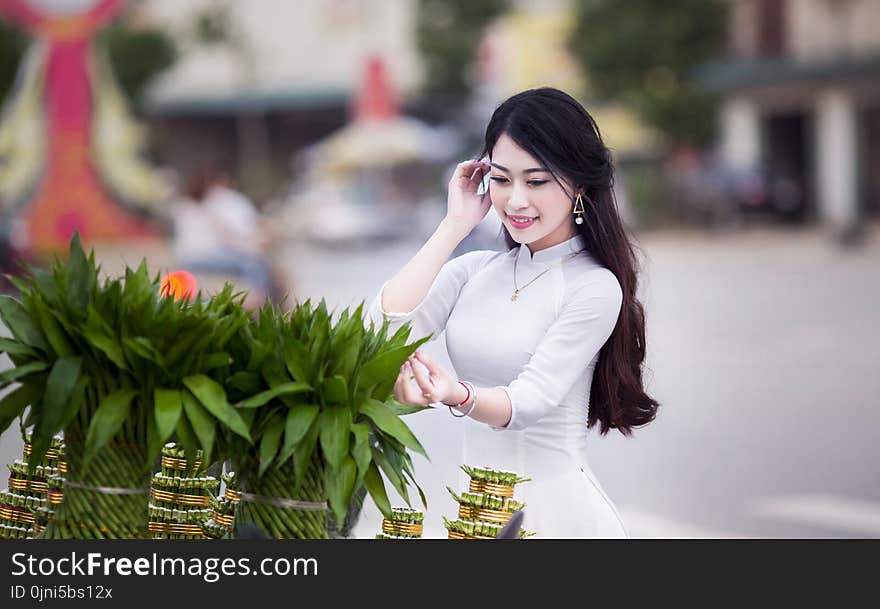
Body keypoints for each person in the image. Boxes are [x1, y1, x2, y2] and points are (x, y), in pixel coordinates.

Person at [367, 88, 659, 538]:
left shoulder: (595, 287)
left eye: (536, 181)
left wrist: (455, 393)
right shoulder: (473, 270)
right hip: (477, 514)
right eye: (502, 180)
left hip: (560, 518)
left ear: (579, 184)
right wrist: (454, 225)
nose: (516, 201)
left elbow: (528, 402)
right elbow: (379, 332)